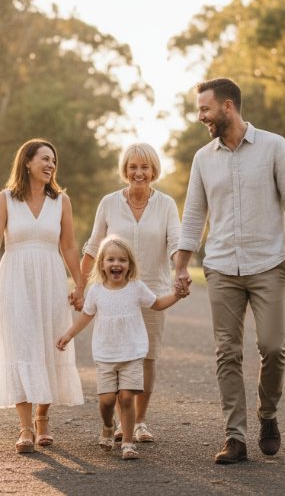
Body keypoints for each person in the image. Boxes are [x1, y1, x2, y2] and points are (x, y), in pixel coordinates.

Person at [173, 77, 285, 465]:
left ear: (228, 106)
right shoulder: (203, 159)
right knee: (227, 352)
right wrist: (181, 265)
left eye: (205, 109)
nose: (200, 117)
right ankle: (234, 436)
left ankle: (268, 414)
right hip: (221, 267)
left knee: (273, 347)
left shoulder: (274, 146)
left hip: (268, 264)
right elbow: (194, 215)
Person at [0, 138, 86, 454]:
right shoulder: (5, 199)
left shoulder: (61, 201)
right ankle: (25, 427)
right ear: (27, 162)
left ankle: (42, 418)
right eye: (44, 158)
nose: (51, 164)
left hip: (50, 280)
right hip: (15, 280)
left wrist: (80, 284)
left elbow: (69, 245)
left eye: (53, 160)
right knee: (21, 346)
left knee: (49, 345)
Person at [80, 142, 181, 443]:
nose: (139, 173)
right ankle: (118, 420)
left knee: (146, 357)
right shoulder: (109, 203)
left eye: (144, 167)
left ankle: (138, 422)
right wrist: (79, 285)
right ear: (125, 170)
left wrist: (182, 271)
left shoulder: (166, 205)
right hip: (113, 292)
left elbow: (176, 244)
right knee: (116, 356)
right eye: (133, 167)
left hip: (152, 290)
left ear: (153, 170)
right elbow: (93, 246)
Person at [57, 237, 188, 460]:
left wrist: (177, 295)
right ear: (102, 264)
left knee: (127, 398)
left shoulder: (136, 288)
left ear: (129, 265)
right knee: (107, 401)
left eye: (122, 260)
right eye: (111, 260)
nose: (116, 264)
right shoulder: (96, 291)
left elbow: (157, 304)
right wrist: (68, 335)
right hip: (105, 356)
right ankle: (108, 426)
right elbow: (86, 316)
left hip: (132, 354)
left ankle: (128, 443)